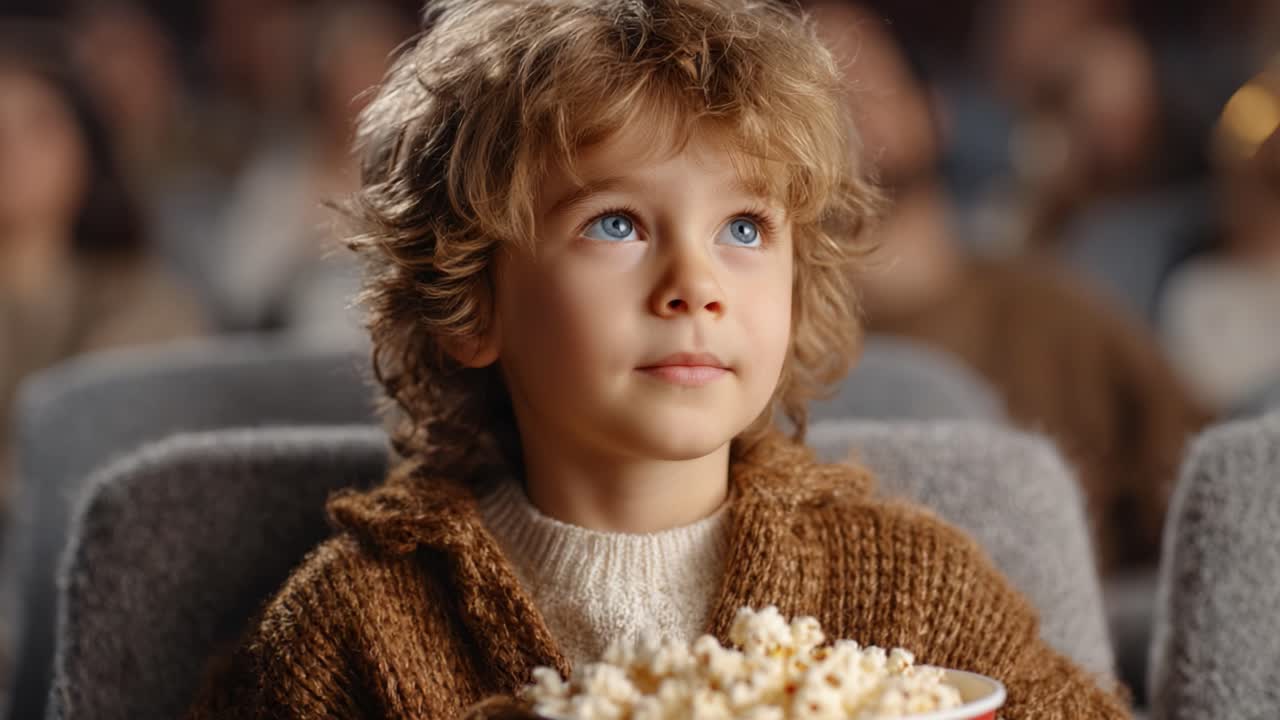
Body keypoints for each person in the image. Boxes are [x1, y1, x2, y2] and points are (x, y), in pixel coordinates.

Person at [186, 1, 1131, 718]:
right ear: (471, 304)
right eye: (617, 223)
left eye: (746, 228)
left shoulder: (912, 589)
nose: (696, 283)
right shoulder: (353, 625)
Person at [805, 1, 1210, 573]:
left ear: (932, 110)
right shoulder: (774, 351)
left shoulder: (1054, 310)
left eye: (859, 84)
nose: (837, 116)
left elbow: (1213, 483)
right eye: (806, 96)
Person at [0, 26, 204, 517]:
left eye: (38, 127)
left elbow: (99, 447)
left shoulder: (150, 301)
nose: (10, 151)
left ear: (84, 146)